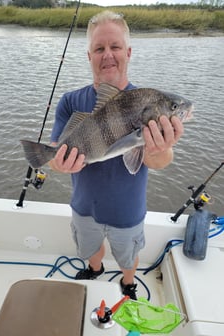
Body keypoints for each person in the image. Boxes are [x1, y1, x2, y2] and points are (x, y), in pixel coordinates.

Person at [49, 11, 184, 300]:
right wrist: (57, 163)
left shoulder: (147, 102)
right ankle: (94, 269)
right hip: (83, 207)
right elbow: (53, 155)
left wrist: (158, 147)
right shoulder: (71, 101)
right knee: (90, 249)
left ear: (128, 52)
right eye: (99, 48)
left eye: (115, 47)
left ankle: (129, 282)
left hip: (127, 212)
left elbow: (161, 161)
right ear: (89, 55)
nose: (107, 55)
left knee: (128, 256)